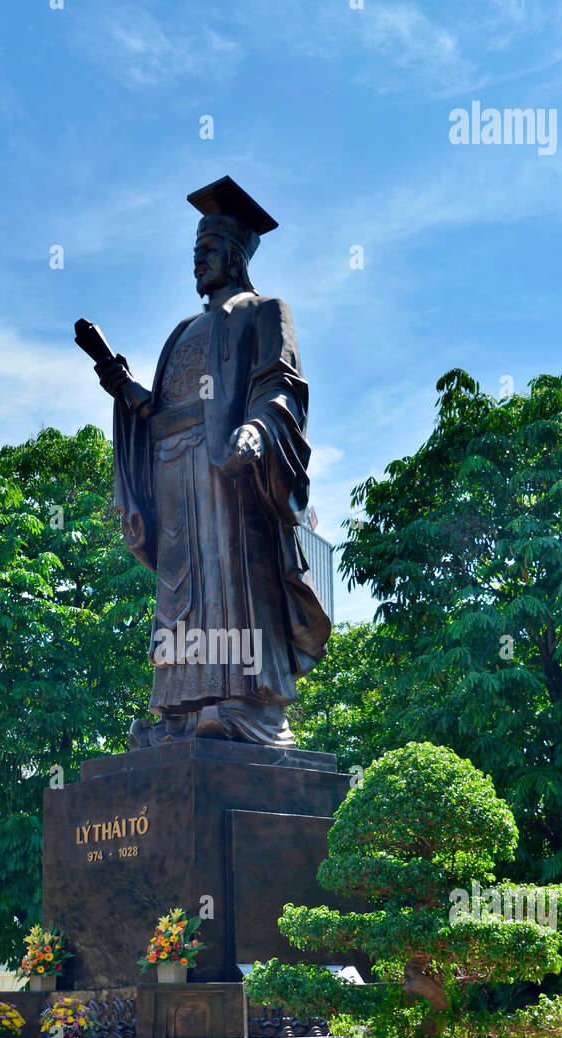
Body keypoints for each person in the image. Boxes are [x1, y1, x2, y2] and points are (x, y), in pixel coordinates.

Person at [94, 176, 330, 748]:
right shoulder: (182, 332)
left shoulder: (265, 310)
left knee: (230, 582)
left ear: (233, 253)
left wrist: (257, 429)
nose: (197, 262)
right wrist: (122, 387)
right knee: (182, 590)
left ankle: (244, 704)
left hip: (228, 469)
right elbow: (158, 412)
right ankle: (180, 710)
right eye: (193, 252)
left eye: (207, 251)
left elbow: (282, 386)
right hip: (175, 470)